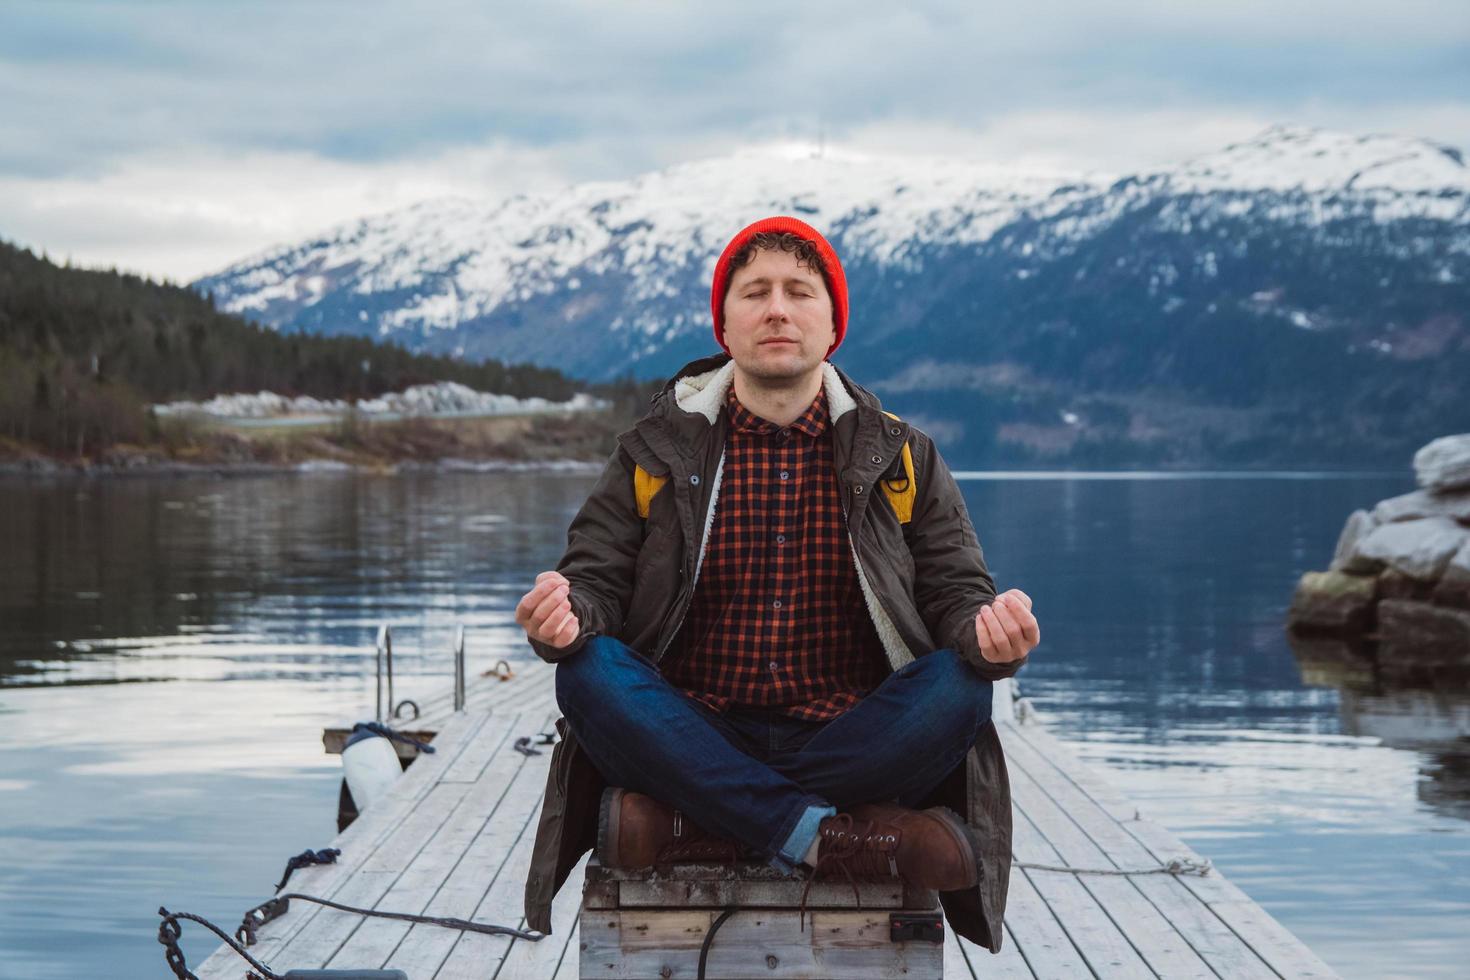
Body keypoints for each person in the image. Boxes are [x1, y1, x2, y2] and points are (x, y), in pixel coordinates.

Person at [517, 215, 1039, 954]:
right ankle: (823, 831)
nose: (777, 309)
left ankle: (699, 820)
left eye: (800, 292)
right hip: (691, 726)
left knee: (960, 688)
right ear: (724, 325)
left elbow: (957, 595)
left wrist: (991, 636)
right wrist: (564, 615)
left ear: (832, 327)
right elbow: (594, 580)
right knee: (589, 672)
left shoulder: (905, 457)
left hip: (850, 734)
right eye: (755, 292)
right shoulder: (653, 450)